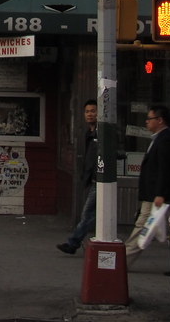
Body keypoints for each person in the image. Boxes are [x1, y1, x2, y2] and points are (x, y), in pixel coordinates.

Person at [124, 104, 170, 267]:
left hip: (158, 195)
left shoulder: (166, 140)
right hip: (156, 193)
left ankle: (123, 262)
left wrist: (160, 193)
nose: (146, 122)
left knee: (144, 226)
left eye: (149, 119)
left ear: (160, 120)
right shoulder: (158, 139)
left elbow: (166, 168)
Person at [57, 99, 99, 255]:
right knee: (91, 214)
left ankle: (73, 243)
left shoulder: (101, 132)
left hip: (100, 180)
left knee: (88, 213)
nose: (90, 114)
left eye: (93, 111)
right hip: (92, 179)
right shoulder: (89, 133)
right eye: (87, 111)